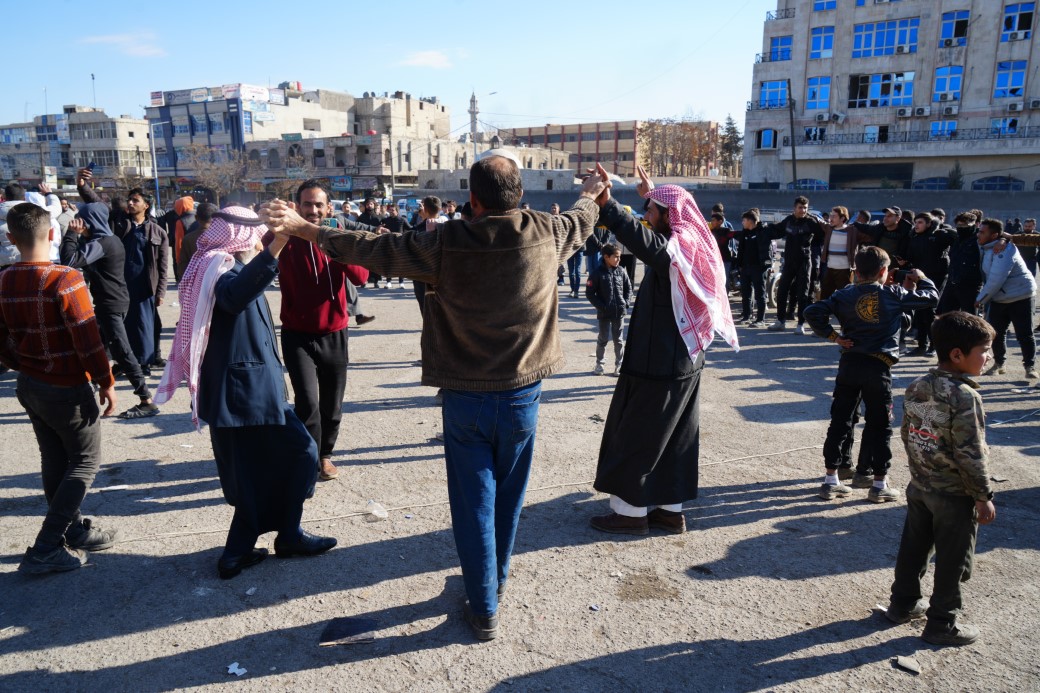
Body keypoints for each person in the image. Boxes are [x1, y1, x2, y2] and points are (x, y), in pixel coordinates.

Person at [261, 155, 608, 641]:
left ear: (472, 200)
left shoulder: (445, 243)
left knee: (475, 507)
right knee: (507, 501)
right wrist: (592, 191)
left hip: (467, 398)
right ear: (521, 197)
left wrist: (306, 229)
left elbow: (374, 249)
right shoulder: (547, 233)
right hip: (524, 396)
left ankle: (485, 604)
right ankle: (494, 584)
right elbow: (583, 218)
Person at [154, 207, 336, 580]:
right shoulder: (220, 268)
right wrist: (278, 246)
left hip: (241, 388)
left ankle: (257, 545)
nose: (259, 238)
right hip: (244, 391)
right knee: (301, 454)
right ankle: (276, 539)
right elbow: (236, 296)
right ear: (238, 235)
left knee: (256, 470)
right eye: (256, 233)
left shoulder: (214, 264)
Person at [589, 166, 738, 536]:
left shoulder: (678, 248)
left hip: (659, 360)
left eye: (652, 211)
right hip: (684, 358)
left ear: (668, 215)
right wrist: (650, 195)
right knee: (675, 437)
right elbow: (656, 231)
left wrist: (605, 202)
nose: (645, 216)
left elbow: (643, 239)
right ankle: (670, 511)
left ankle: (630, 513)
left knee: (638, 434)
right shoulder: (693, 240)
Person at [0, 203, 119, 574]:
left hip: (30, 384)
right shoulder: (65, 278)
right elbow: (88, 340)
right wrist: (106, 381)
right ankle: (47, 546)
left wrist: (22, 364)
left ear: (10, 238)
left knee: (55, 460)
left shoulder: (3, 279)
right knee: (84, 463)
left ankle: (71, 530)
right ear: (52, 234)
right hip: (66, 388)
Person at [887, 311, 996, 646]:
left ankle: (902, 604)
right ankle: (942, 624)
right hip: (953, 494)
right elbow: (970, 451)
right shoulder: (965, 396)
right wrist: (982, 495)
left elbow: (908, 434)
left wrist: (920, 473)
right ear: (957, 355)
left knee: (914, 547)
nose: (989, 357)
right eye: (984, 351)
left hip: (921, 486)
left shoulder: (918, 384)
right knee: (953, 559)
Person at [805, 247, 938, 501]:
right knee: (880, 424)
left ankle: (831, 479)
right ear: (883, 271)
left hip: (850, 363)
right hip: (878, 367)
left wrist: (835, 337)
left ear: (856, 270)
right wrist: (921, 278)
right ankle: (879, 484)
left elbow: (812, 312)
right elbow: (931, 298)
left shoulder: (844, 294)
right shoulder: (894, 293)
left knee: (840, 420)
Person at [273, 180, 370, 482]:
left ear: (329, 207)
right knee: (307, 402)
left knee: (332, 404)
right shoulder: (284, 238)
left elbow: (361, 277)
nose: (312, 210)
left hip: (334, 333)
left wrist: (337, 243)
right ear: (297, 206)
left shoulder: (338, 237)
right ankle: (309, 458)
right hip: (296, 334)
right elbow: (260, 256)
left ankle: (325, 454)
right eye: (306, 204)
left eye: (318, 205)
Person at [60, 202, 159, 419]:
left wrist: (70, 234)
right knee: (99, 348)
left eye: (83, 220)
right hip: (113, 301)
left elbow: (68, 261)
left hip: (111, 304)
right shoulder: (107, 240)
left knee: (122, 351)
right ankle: (97, 387)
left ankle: (146, 400)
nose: (80, 223)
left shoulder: (103, 243)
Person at [77, 171, 169, 374]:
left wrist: (160, 292)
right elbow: (95, 202)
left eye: (135, 200)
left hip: (145, 286)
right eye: (129, 200)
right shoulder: (118, 220)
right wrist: (83, 185)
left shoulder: (157, 232)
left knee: (144, 326)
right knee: (121, 327)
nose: (130, 203)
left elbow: (163, 265)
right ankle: (124, 363)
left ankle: (143, 364)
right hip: (119, 284)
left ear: (146, 205)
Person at [975, 218, 1037, 380]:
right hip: (999, 296)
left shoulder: (1003, 249)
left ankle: (1029, 366)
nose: (978, 234)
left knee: (1024, 333)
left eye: (982, 232)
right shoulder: (986, 246)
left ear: (994, 234)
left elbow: (997, 278)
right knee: (996, 333)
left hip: (1020, 295)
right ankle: (999, 364)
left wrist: (980, 299)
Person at [765, 196, 824, 334]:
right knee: (782, 290)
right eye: (800, 207)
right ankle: (780, 321)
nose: (803, 210)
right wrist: (763, 226)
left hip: (804, 261)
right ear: (794, 208)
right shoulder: (788, 221)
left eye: (805, 208)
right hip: (789, 261)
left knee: (802, 293)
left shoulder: (811, 222)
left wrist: (808, 248)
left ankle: (800, 324)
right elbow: (777, 230)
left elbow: (821, 237)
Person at [903, 212, 956, 357]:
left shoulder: (940, 235)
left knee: (931, 312)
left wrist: (941, 227)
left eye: (920, 222)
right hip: (920, 278)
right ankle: (922, 345)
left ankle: (934, 346)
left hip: (937, 278)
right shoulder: (914, 237)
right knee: (920, 310)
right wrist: (906, 263)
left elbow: (956, 237)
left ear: (928, 223)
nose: (916, 225)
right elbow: (911, 256)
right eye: (915, 222)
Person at [586, 243, 631, 376]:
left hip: (619, 313)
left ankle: (619, 365)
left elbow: (628, 288)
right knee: (603, 339)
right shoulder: (596, 273)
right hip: (604, 313)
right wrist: (601, 306)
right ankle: (600, 364)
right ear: (606, 257)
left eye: (619, 257)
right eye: (616, 257)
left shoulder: (621, 271)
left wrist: (626, 303)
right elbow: (589, 293)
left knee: (618, 340)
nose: (619, 259)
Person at [735, 208, 772, 326]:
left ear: (751, 221)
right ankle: (746, 316)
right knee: (745, 293)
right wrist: (739, 265)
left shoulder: (763, 232)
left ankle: (760, 319)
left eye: (744, 220)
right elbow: (740, 250)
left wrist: (766, 265)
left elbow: (768, 250)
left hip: (759, 268)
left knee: (760, 294)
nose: (742, 223)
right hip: (746, 268)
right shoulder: (745, 233)